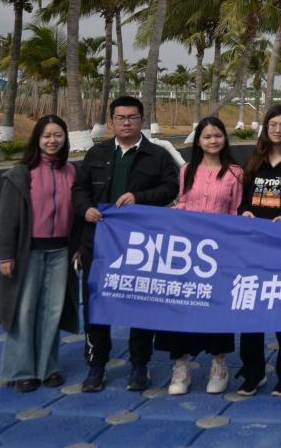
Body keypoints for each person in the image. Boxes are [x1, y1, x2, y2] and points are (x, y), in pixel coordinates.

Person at [72, 95, 180, 393]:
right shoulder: (97, 153)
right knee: (96, 305)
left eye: (132, 117)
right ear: (111, 122)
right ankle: (96, 365)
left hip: (140, 247)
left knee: (140, 305)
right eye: (120, 118)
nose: (126, 122)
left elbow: (171, 187)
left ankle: (139, 364)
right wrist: (85, 209)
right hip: (99, 243)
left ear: (142, 120)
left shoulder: (157, 155)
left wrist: (139, 198)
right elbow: (79, 189)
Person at [0, 115, 79, 392]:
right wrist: (6, 255)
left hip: (60, 252)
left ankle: (48, 367)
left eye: (58, 135)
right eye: (46, 135)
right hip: (28, 253)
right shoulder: (21, 173)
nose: (52, 141)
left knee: (53, 311)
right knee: (23, 310)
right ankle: (21, 371)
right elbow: (7, 217)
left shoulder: (72, 171)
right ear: (37, 138)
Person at [157, 117, 244, 395]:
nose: (213, 141)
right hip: (187, 253)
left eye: (217, 135)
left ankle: (219, 365)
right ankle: (180, 367)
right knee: (181, 308)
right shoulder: (188, 170)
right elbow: (183, 203)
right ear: (198, 141)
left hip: (219, 254)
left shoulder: (235, 173)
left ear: (225, 138)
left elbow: (235, 211)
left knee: (216, 309)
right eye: (207, 136)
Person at [238, 105, 281, 396]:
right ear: (265, 128)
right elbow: (242, 200)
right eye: (273, 124)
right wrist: (244, 212)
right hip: (255, 247)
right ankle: (253, 372)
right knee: (250, 312)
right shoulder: (254, 161)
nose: (278, 130)